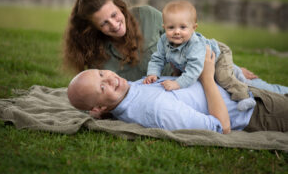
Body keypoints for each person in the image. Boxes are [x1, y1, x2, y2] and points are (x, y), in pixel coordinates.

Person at [67, 46, 288, 134]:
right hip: (256, 110)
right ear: (100, 103)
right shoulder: (155, 109)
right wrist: (207, 77)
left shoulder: (127, 92)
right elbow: (221, 126)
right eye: (103, 86)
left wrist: (105, 111)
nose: (111, 78)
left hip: (240, 89)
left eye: (101, 73)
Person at [143, 0, 255, 111]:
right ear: (164, 27)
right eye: (171, 27)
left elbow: (193, 70)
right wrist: (153, 73)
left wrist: (177, 84)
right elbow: (158, 58)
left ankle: (244, 96)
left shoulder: (195, 44)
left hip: (218, 55)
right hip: (197, 60)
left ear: (193, 28)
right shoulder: (164, 40)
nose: (177, 32)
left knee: (222, 77)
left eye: (183, 27)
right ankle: (236, 72)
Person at [63, 0, 172, 81]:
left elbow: (186, 40)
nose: (114, 25)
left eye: (114, 15)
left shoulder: (148, 16)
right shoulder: (95, 56)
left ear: (119, 7)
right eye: (104, 23)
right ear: (94, 27)